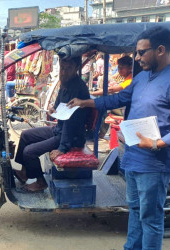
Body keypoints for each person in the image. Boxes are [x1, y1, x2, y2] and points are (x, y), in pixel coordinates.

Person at [68, 26, 170, 249]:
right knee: (133, 209)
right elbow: (117, 100)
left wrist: (158, 143)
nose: (137, 57)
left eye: (142, 52)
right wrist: (84, 102)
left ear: (161, 50)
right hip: (132, 157)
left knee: (150, 218)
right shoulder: (141, 79)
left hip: (153, 163)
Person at [13, 56, 90, 192]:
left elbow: (70, 123)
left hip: (71, 137)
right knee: (25, 135)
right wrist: (53, 109)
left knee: (29, 152)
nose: (63, 72)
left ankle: (40, 182)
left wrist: (62, 148)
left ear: (76, 68)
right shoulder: (66, 83)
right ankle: (24, 172)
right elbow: (58, 105)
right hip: (59, 129)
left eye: (68, 69)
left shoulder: (78, 88)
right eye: (62, 68)